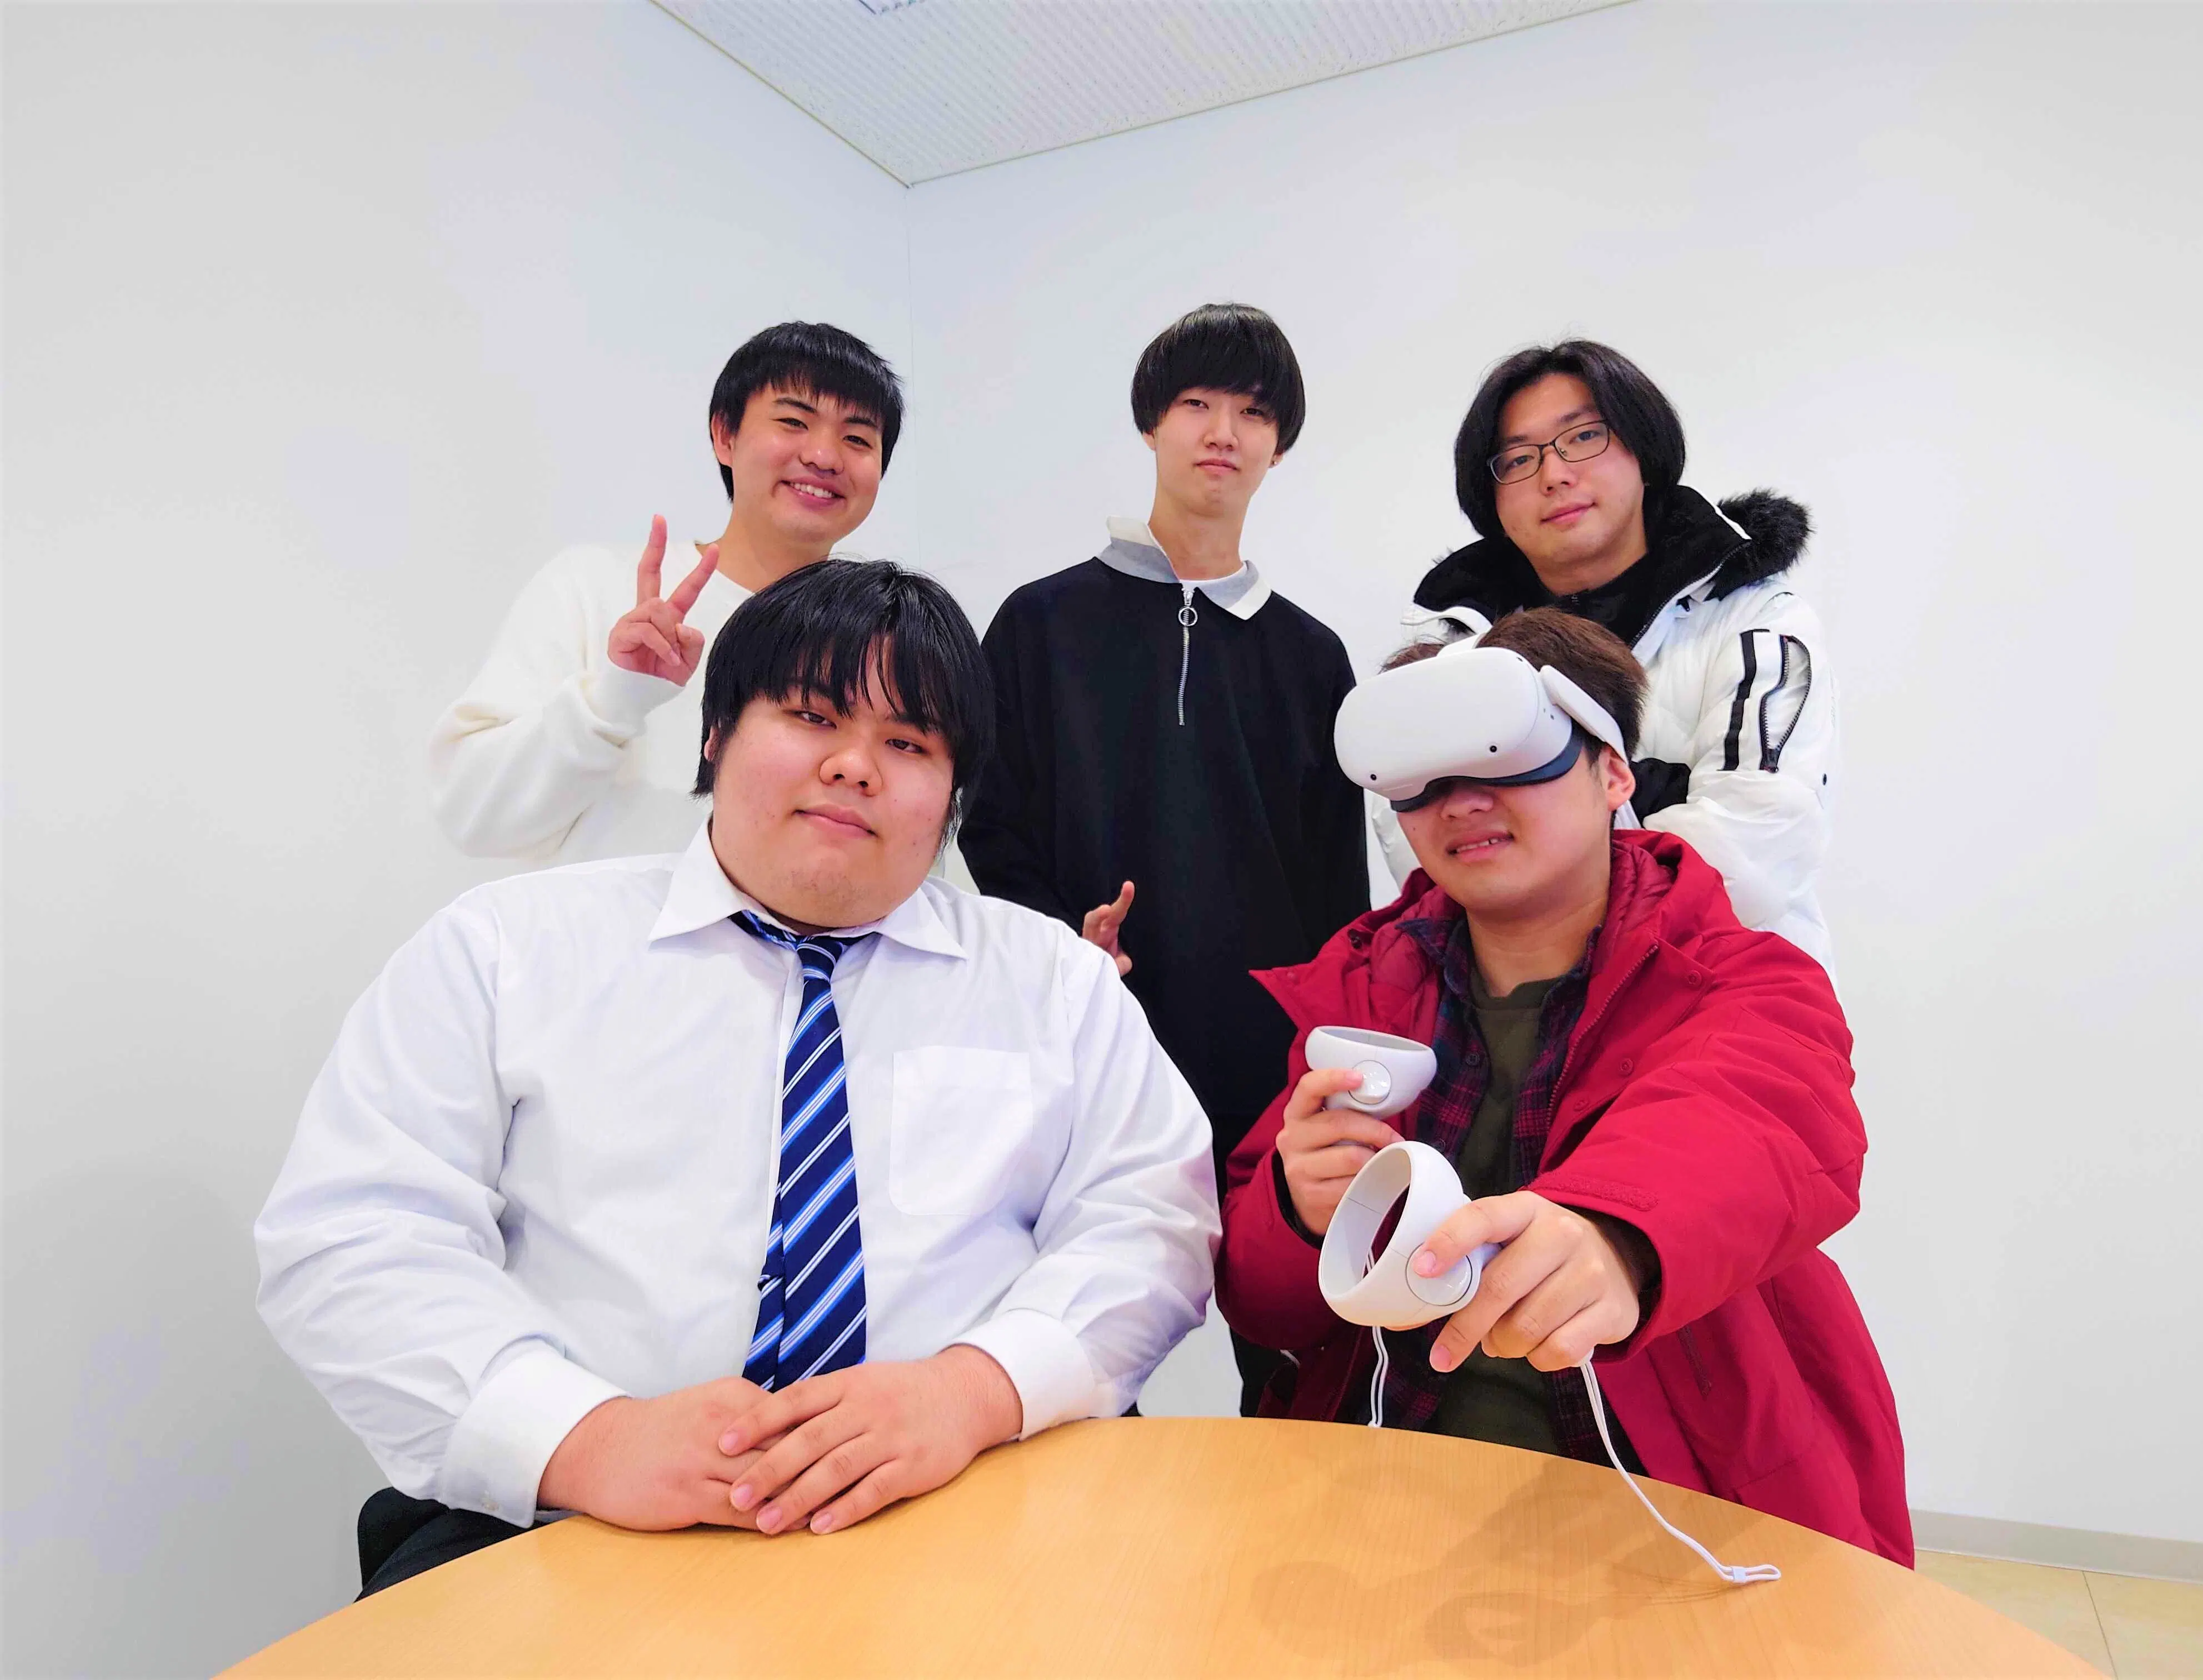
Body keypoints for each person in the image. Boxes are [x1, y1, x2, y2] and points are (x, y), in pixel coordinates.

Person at [261, 560, 1219, 1596]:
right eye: (812, 716)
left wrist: (973, 1390)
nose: (854, 765)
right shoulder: (504, 951)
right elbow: (355, 1236)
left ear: (955, 792)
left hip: (974, 1505)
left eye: (908, 743)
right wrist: (585, 1438)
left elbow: (1152, 1222)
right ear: (717, 733)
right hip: (575, 1521)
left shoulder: (1054, 983)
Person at [1217, 609, 1909, 1564]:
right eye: (1421, 776)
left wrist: (1614, 1234)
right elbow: (1263, 1306)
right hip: (1390, 1496)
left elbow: (1757, 1115)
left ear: (1614, 772)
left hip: (1675, 1505)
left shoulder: (1740, 977)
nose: (1461, 802)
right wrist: (1298, 1213)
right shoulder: (1359, 993)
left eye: (1505, 753)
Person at [958, 302, 1369, 1414]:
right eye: (1196, 403)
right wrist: (1065, 941)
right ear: (1151, 424)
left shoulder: (1312, 656)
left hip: (1265, 1061)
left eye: (1253, 412)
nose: (1222, 432)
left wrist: (1327, 1044)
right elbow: (990, 825)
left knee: (1293, 1348)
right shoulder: (1039, 625)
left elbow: (1337, 882)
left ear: (1279, 445)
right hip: (1088, 1037)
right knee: (1068, 1334)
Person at [1380, 341, 1839, 969]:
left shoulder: (1757, 622)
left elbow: (1753, 852)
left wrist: (1532, 845)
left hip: (1722, 993)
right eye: (1518, 459)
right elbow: (1426, 864)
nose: (1554, 474)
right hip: (1517, 1008)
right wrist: (1645, 800)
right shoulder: (1449, 658)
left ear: (1643, 449)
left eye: (1584, 437)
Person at [429, 321, 903, 862]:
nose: (824, 456)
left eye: (857, 438)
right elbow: (472, 814)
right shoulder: (593, 585)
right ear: (725, 435)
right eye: (794, 422)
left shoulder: (883, 637)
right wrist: (614, 696)